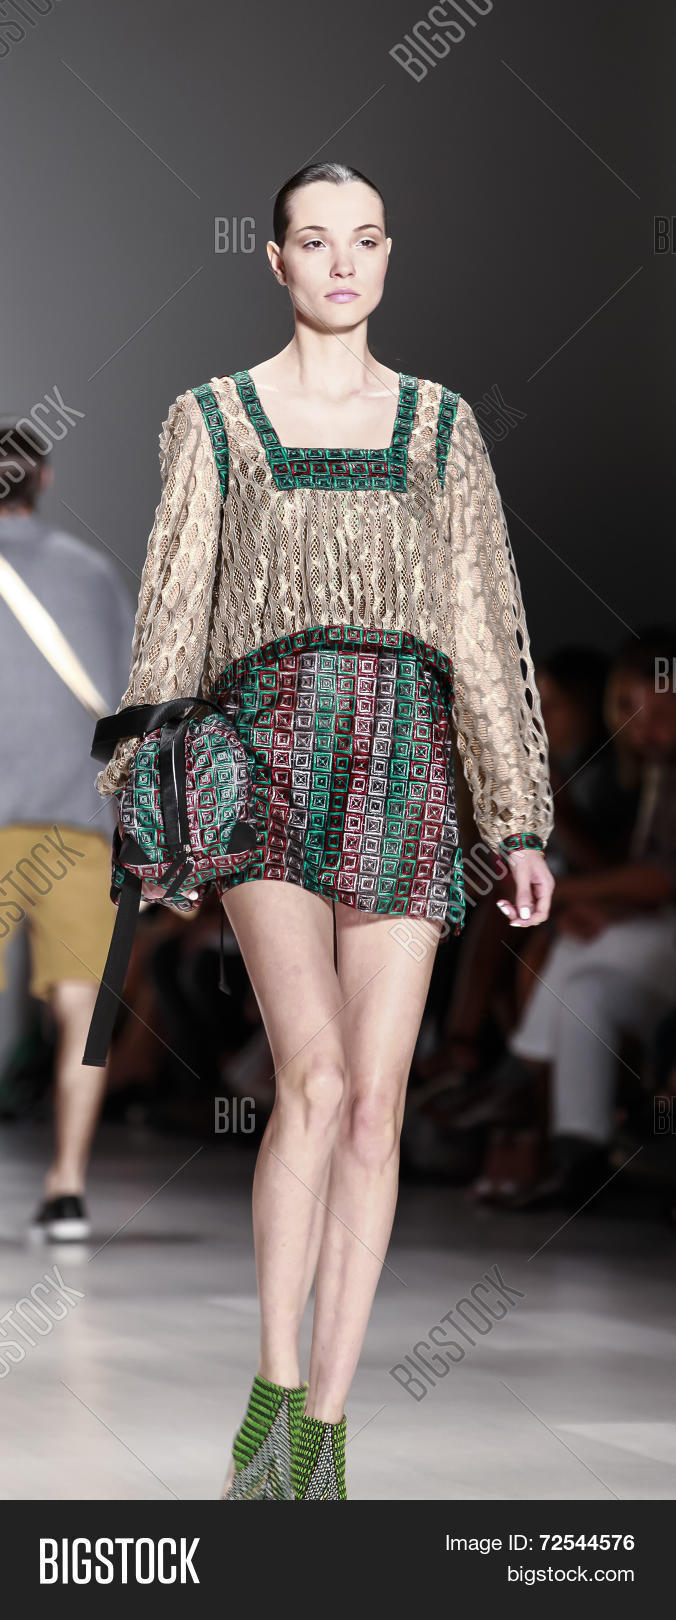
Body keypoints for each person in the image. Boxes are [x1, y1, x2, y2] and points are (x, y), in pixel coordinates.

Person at [94, 161, 555, 1499]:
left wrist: (517, 817)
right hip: (264, 758)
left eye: (363, 240)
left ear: (388, 255)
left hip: (408, 763)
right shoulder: (213, 418)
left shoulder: (441, 426)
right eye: (314, 240)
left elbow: (482, 623)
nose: (341, 263)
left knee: (375, 1106)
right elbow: (172, 614)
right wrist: (149, 801)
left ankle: (326, 1433)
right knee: (311, 1079)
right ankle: (273, 1388)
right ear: (276, 259)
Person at [0, 420, 135, 1240]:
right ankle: (67, 1188)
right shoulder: (92, 575)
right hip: (80, 825)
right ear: (43, 480)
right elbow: (129, 706)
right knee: (84, 1007)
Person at [504, 631, 676, 1209]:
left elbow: (661, 880)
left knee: (573, 947)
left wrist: (565, 894)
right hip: (655, 947)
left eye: (663, 713)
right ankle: (579, 1153)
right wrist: (597, 904)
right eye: (629, 709)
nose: (645, 728)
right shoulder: (642, 779)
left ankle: (518, 1073)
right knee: (584, 992)